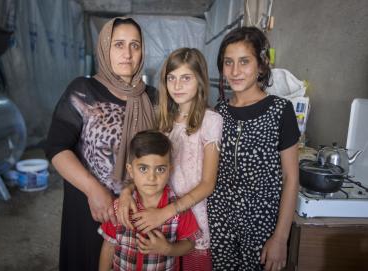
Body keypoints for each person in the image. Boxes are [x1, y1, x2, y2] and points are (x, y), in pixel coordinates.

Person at [44, 17, 156, 271]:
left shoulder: (153, 97)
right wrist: (93, 189)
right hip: (90, 210)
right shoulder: (83, 89)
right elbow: (57, 147)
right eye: (118, 44)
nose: (127, 54)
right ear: (104, 48)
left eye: (134, 45)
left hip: (137, 214)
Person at [117, 48, 223, 270]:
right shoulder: (161, 119)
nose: (177, 85)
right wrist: (126, 192)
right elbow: (143, 163)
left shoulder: (211, 121)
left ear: (201, 81)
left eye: (186, 78)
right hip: (158, 213)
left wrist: (166, 212)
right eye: (171, 78)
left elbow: (207, 184)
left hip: (189, 218)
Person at [207, 26, 300, 271]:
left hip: (262, 228)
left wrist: (280, 237)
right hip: (219, 226)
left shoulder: (281, 111)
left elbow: (291, 178)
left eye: (244, 61)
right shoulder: (218, 113)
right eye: (228, 62)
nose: (235, 71)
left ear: (261, 64)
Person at [98, 130, 200, 271]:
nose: (152, 178)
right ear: (131, 170)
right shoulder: (120, 207)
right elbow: (109, 245)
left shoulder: (179, 208)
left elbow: (190, 244)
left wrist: (168, 249)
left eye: (160, 169)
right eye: (143, 168)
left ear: (170, 170)